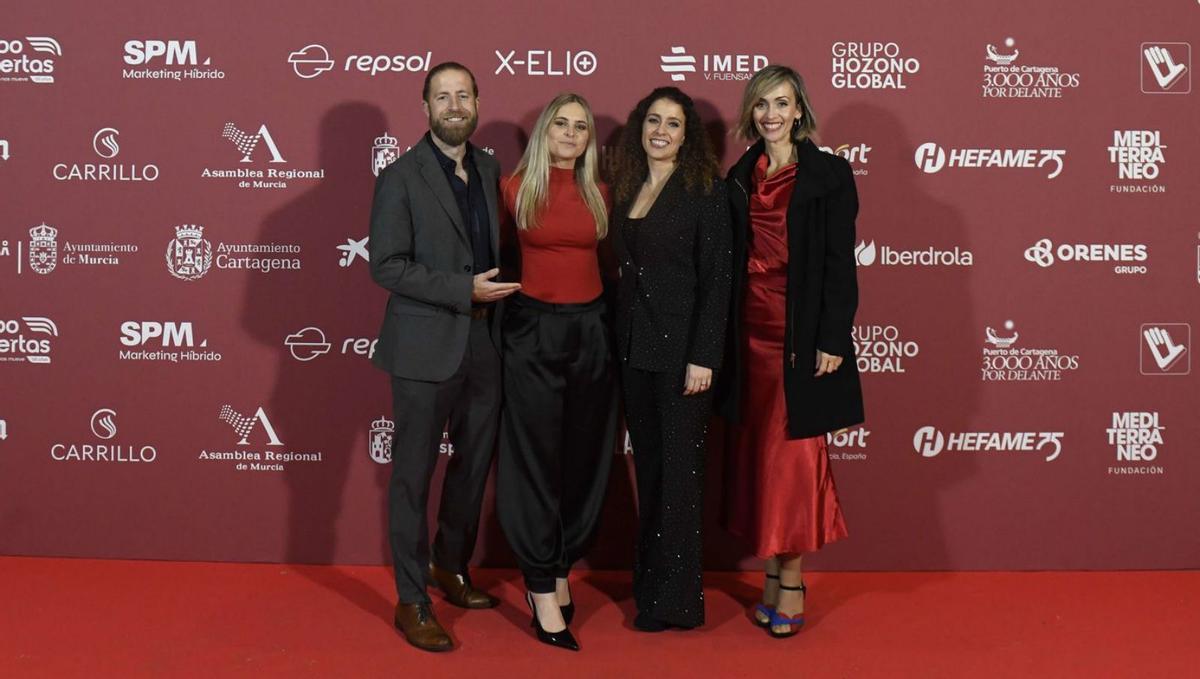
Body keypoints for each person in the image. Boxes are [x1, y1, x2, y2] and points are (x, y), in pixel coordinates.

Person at [368, 61, 520, 653]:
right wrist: (463, 291)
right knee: (412, 477)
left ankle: (449, 565)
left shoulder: (486, 166)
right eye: (442, 97)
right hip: (424, 345)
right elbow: (386, 265)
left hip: (485, 343)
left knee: (474, 466)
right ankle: (412, 600)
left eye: (463, 95)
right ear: (425, 107)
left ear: (477, 102)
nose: (454, 106)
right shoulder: (401, 176)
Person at [715, 65, 864, 639]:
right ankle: (775, 580)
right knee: (761, 463)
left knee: (793, 464)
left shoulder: (829, 174)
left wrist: (832, 338)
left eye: (782, 103)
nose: (772, 114)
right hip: (746, 336)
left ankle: (794, 581)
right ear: (751, 113)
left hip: (798, 339)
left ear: (799, 110)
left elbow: (838, 265)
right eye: (762, 105)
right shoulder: (739, 174)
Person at [495, 92, 617, 652]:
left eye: (581, 127)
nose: (571, 133)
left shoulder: (601, 193)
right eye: (562, 124)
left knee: (584, 458)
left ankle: (563, 562)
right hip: (533, 332)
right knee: (536, 459)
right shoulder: (515, 188)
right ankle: (540, 583)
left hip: (592, 331)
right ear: (545, 131)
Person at [610, 87, 731, 632]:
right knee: (653, 473)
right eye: (653, 120)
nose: (661, 130)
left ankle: (679, 601)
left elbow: (718, 282)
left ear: (688, 136)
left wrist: (704, 356)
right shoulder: (631, 185)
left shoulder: (706, 191)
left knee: (681, 478)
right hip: (635, 351)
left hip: (684, 356)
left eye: (673, 124)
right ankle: (650, 587)